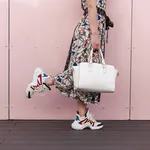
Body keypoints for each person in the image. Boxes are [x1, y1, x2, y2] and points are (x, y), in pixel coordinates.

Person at [26, 0, 107, 130]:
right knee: (79, 73)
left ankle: (81, 118)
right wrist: (95, 34)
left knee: (86, 76)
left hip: (91, 30)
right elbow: (91, 5)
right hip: (88, 33)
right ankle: (43, 80)